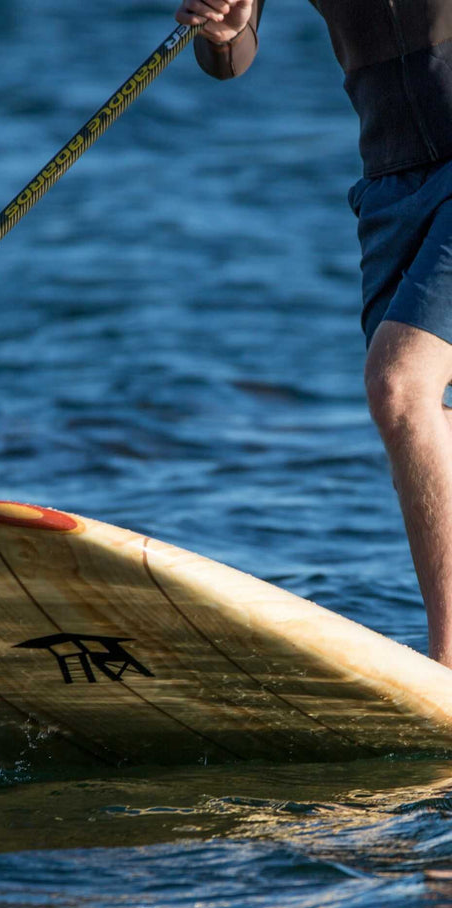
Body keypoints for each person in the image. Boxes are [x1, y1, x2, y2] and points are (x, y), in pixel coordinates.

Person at [174, 0, 452, 667]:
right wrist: (221, 25)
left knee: (400, 386)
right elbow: (230, 57)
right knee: (422, 425)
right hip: (390, 181)